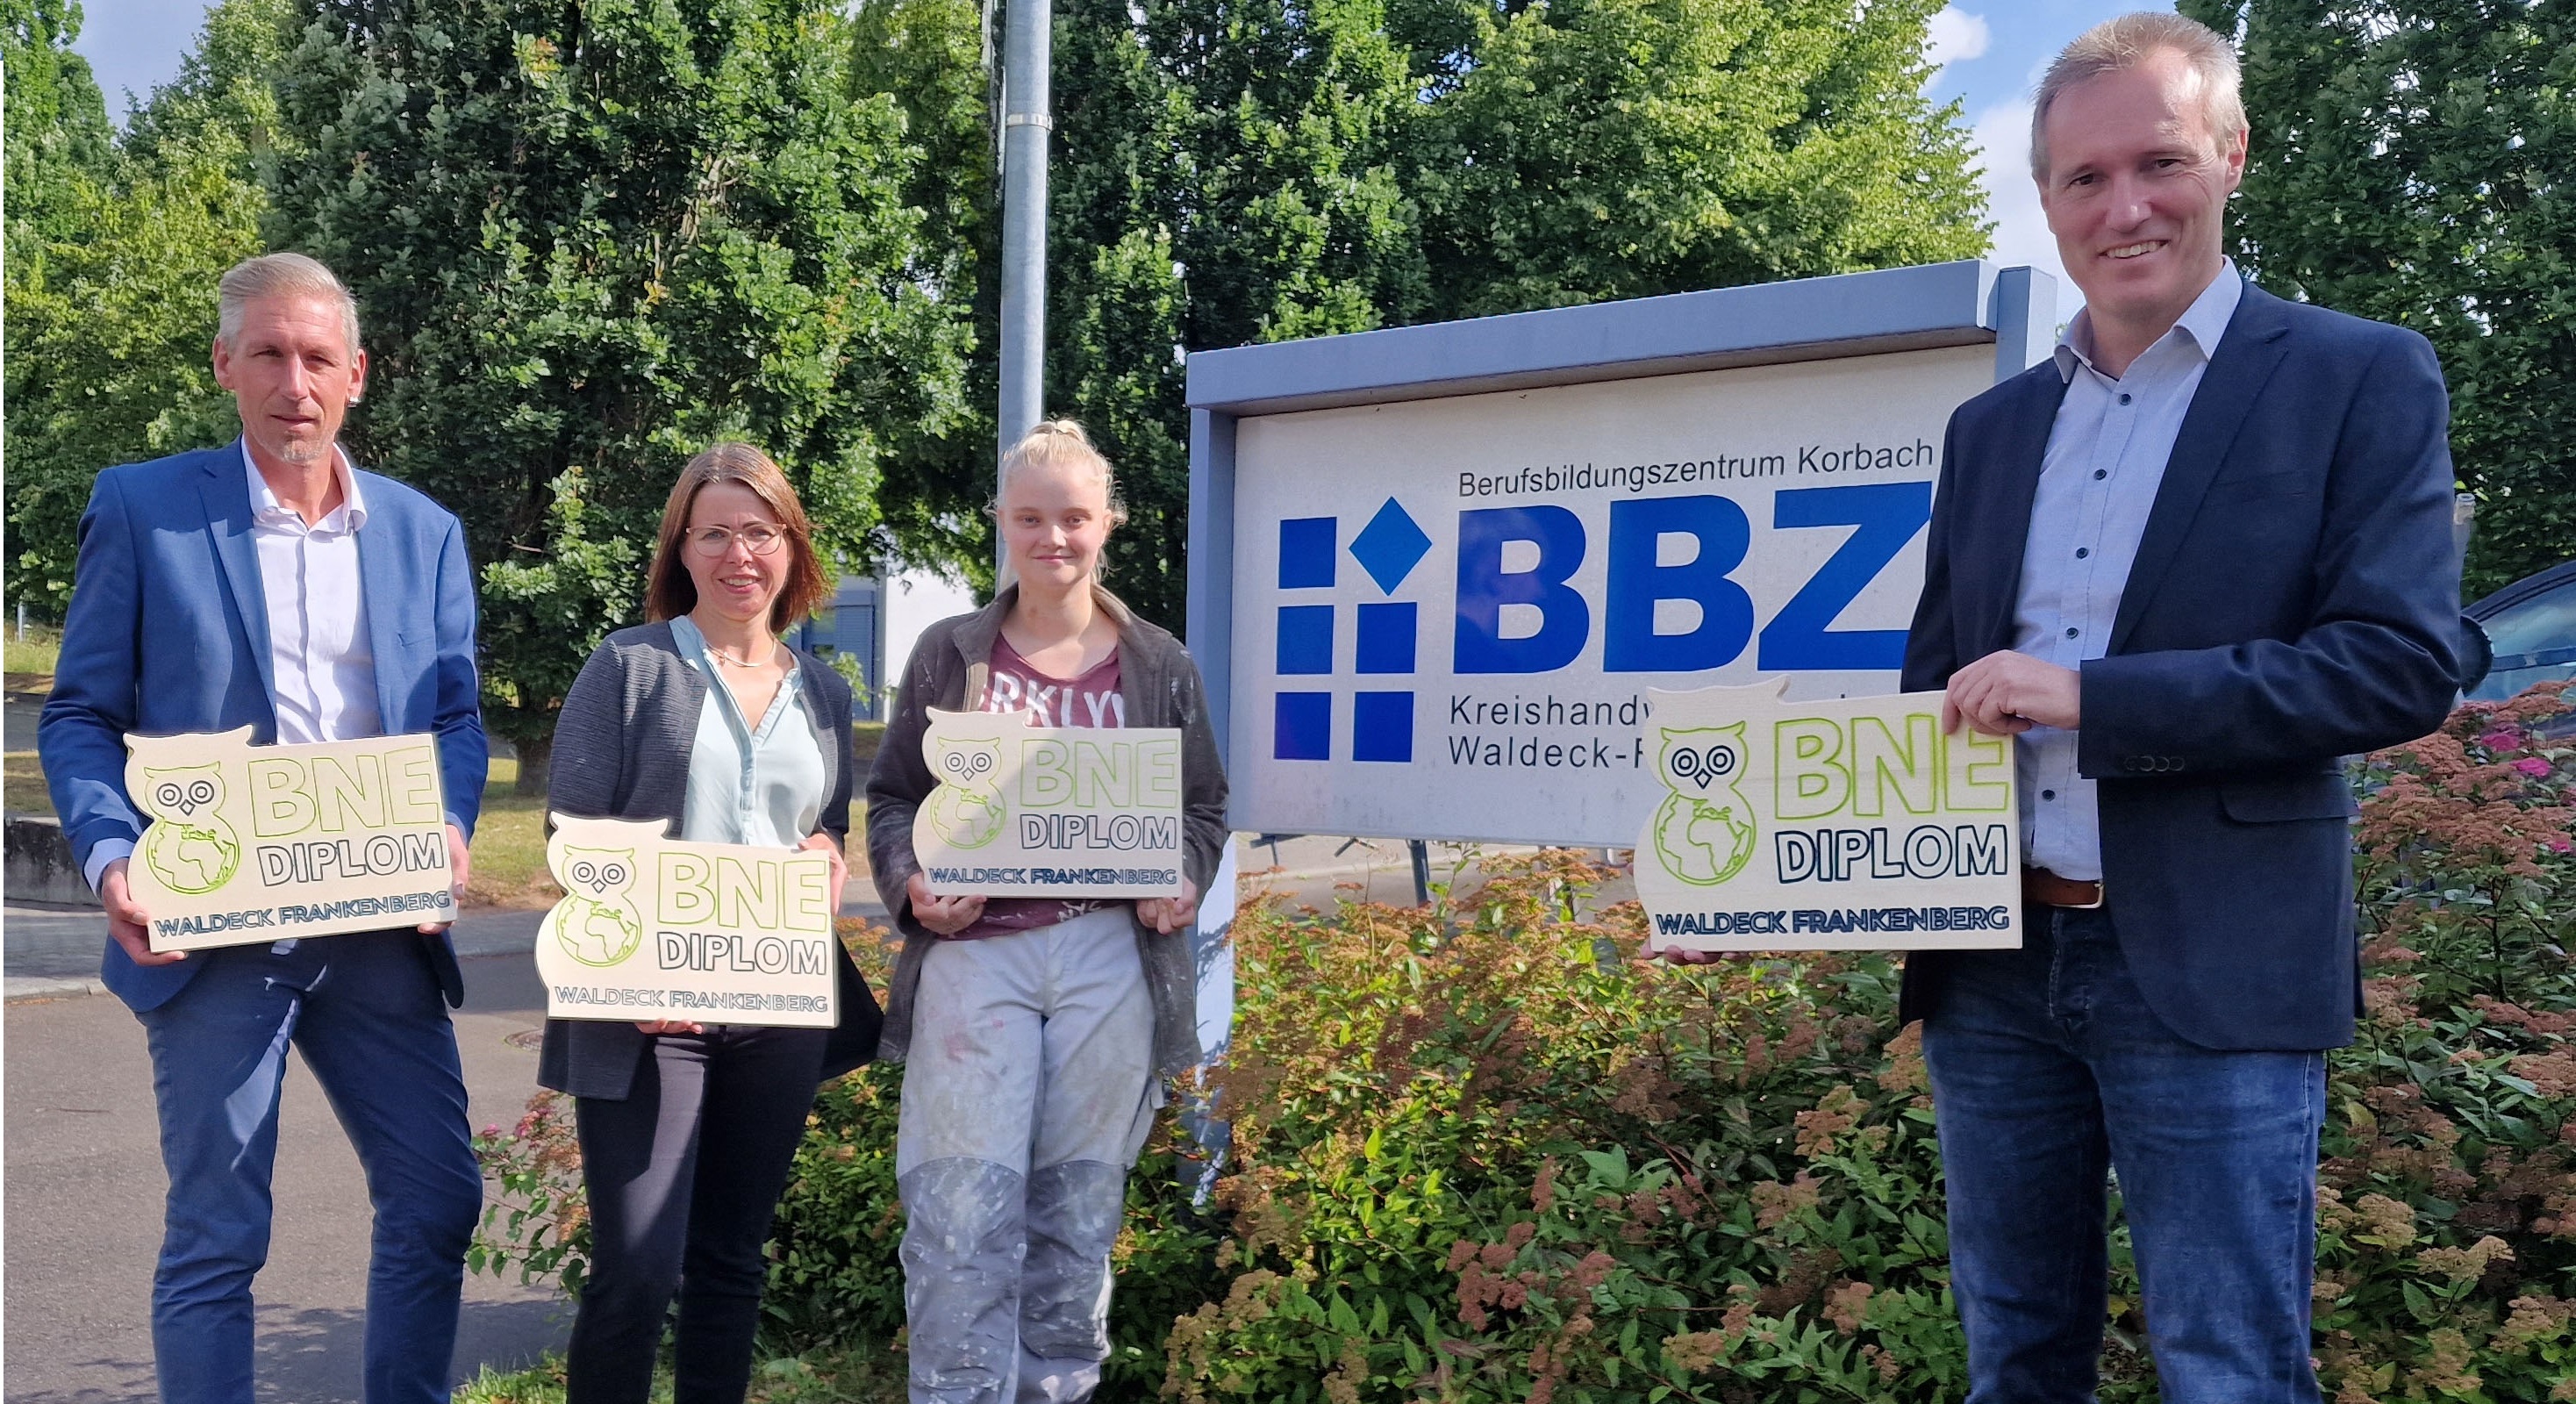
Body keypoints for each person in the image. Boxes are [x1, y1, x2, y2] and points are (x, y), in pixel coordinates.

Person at [1899, 13, 2464, 1401]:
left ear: (2230, 154)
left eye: (2158, 161)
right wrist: (1776, 897)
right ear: (2046, 199)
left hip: (2212, 966)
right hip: (1993, 965)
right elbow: (1931, 695)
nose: (2125, 206)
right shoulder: (1991, 428)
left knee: (2229, 1372)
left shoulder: (2355, 376)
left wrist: (2090, 698)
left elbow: (2399, 661)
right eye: (2083, 179)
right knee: (2014, 1359)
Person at [37, 252, 489, 1404]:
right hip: (214, 932)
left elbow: (454, 722)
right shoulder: (144, 508)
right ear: (226, 365)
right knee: (218, 1235)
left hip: (378, 924)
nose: (297, 381)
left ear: (357, 377)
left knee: (439, 1199)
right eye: (273, 354)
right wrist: (111, 857)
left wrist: (445, 820)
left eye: (320, 358)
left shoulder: (424, 535)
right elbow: (82, 714)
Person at [865, 419, 1229, 1404]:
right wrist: (911, 882)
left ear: (1107, 521)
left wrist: (1182, 875)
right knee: (956, 1212)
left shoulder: (1159, 664)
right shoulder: (950, 655)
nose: (1053, 537)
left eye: (1073, 516)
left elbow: (1201, 807)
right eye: (1031, 517)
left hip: (1109, 957)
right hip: (976, 956)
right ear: (1001, 523)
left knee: (1076, 1215)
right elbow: (894, 797)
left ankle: (1057, 1389)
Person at [538, 442, 883, 1404]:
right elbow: (575, 839)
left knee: (731, 1263)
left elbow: (819, 829)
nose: (741, 553)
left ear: (792, 545)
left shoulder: (823, 693)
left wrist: (828, 857)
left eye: (760, 531)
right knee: (637, 1271)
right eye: (716, 532)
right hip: (650, 1019)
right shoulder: (630, 666)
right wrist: (635, 980)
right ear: (681, 549)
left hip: (775, 1011)